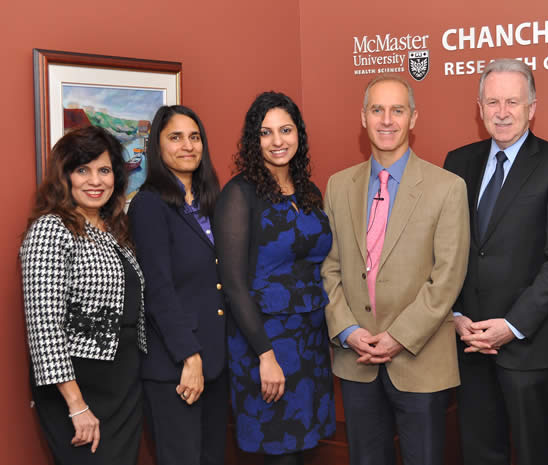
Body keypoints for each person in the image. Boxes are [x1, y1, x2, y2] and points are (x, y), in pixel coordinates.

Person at [443, 58, 548, 465]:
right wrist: (453, 314)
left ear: (532, 107)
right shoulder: (458, 162)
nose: (501, 112)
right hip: (467, 342)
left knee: (531, 453)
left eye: (512, 101)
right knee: (477, 452)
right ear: (479, 107)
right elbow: (444, 249)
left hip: (526, 347)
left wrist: (511, 326)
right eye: (492, 102)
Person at [322, 74, 469, 465]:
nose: (387, 120)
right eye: (377, 110)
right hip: (357, 360)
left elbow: (447, 277)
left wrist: (399, 336)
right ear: (363, 118)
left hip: (420, 362)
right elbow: (328, 268)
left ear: (413, 118)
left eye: (397, 110)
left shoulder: (447, 187)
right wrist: (348, 331)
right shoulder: (338, 186)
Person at [213, 91, 335, 465]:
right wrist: (265, 356)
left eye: (286, 130)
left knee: (305, 449)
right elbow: (232, 284)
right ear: (254, 140)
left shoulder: (310, 191)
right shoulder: (239, 194)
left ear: (299, 133)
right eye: (266, 133)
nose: (278, 141)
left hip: (311, 342)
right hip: (264, 342)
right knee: (278, 453)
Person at [20, 125, 146, 464]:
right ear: (65, 177)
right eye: (83, 170)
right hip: (78, 385)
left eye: (104, 170)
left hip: (124, 380)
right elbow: (44, 326)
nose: (96, 180)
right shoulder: (51, 228)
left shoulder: (114, 229)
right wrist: (76, 405)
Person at [128, 105, 227, 465]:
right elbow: (158, 290)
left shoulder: (209, 203)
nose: (188, 146)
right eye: (176, 137)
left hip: (215, 362)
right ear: (158, 146)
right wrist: (190, 355)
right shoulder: (149, 205)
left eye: (195, 137)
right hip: (177, 367)